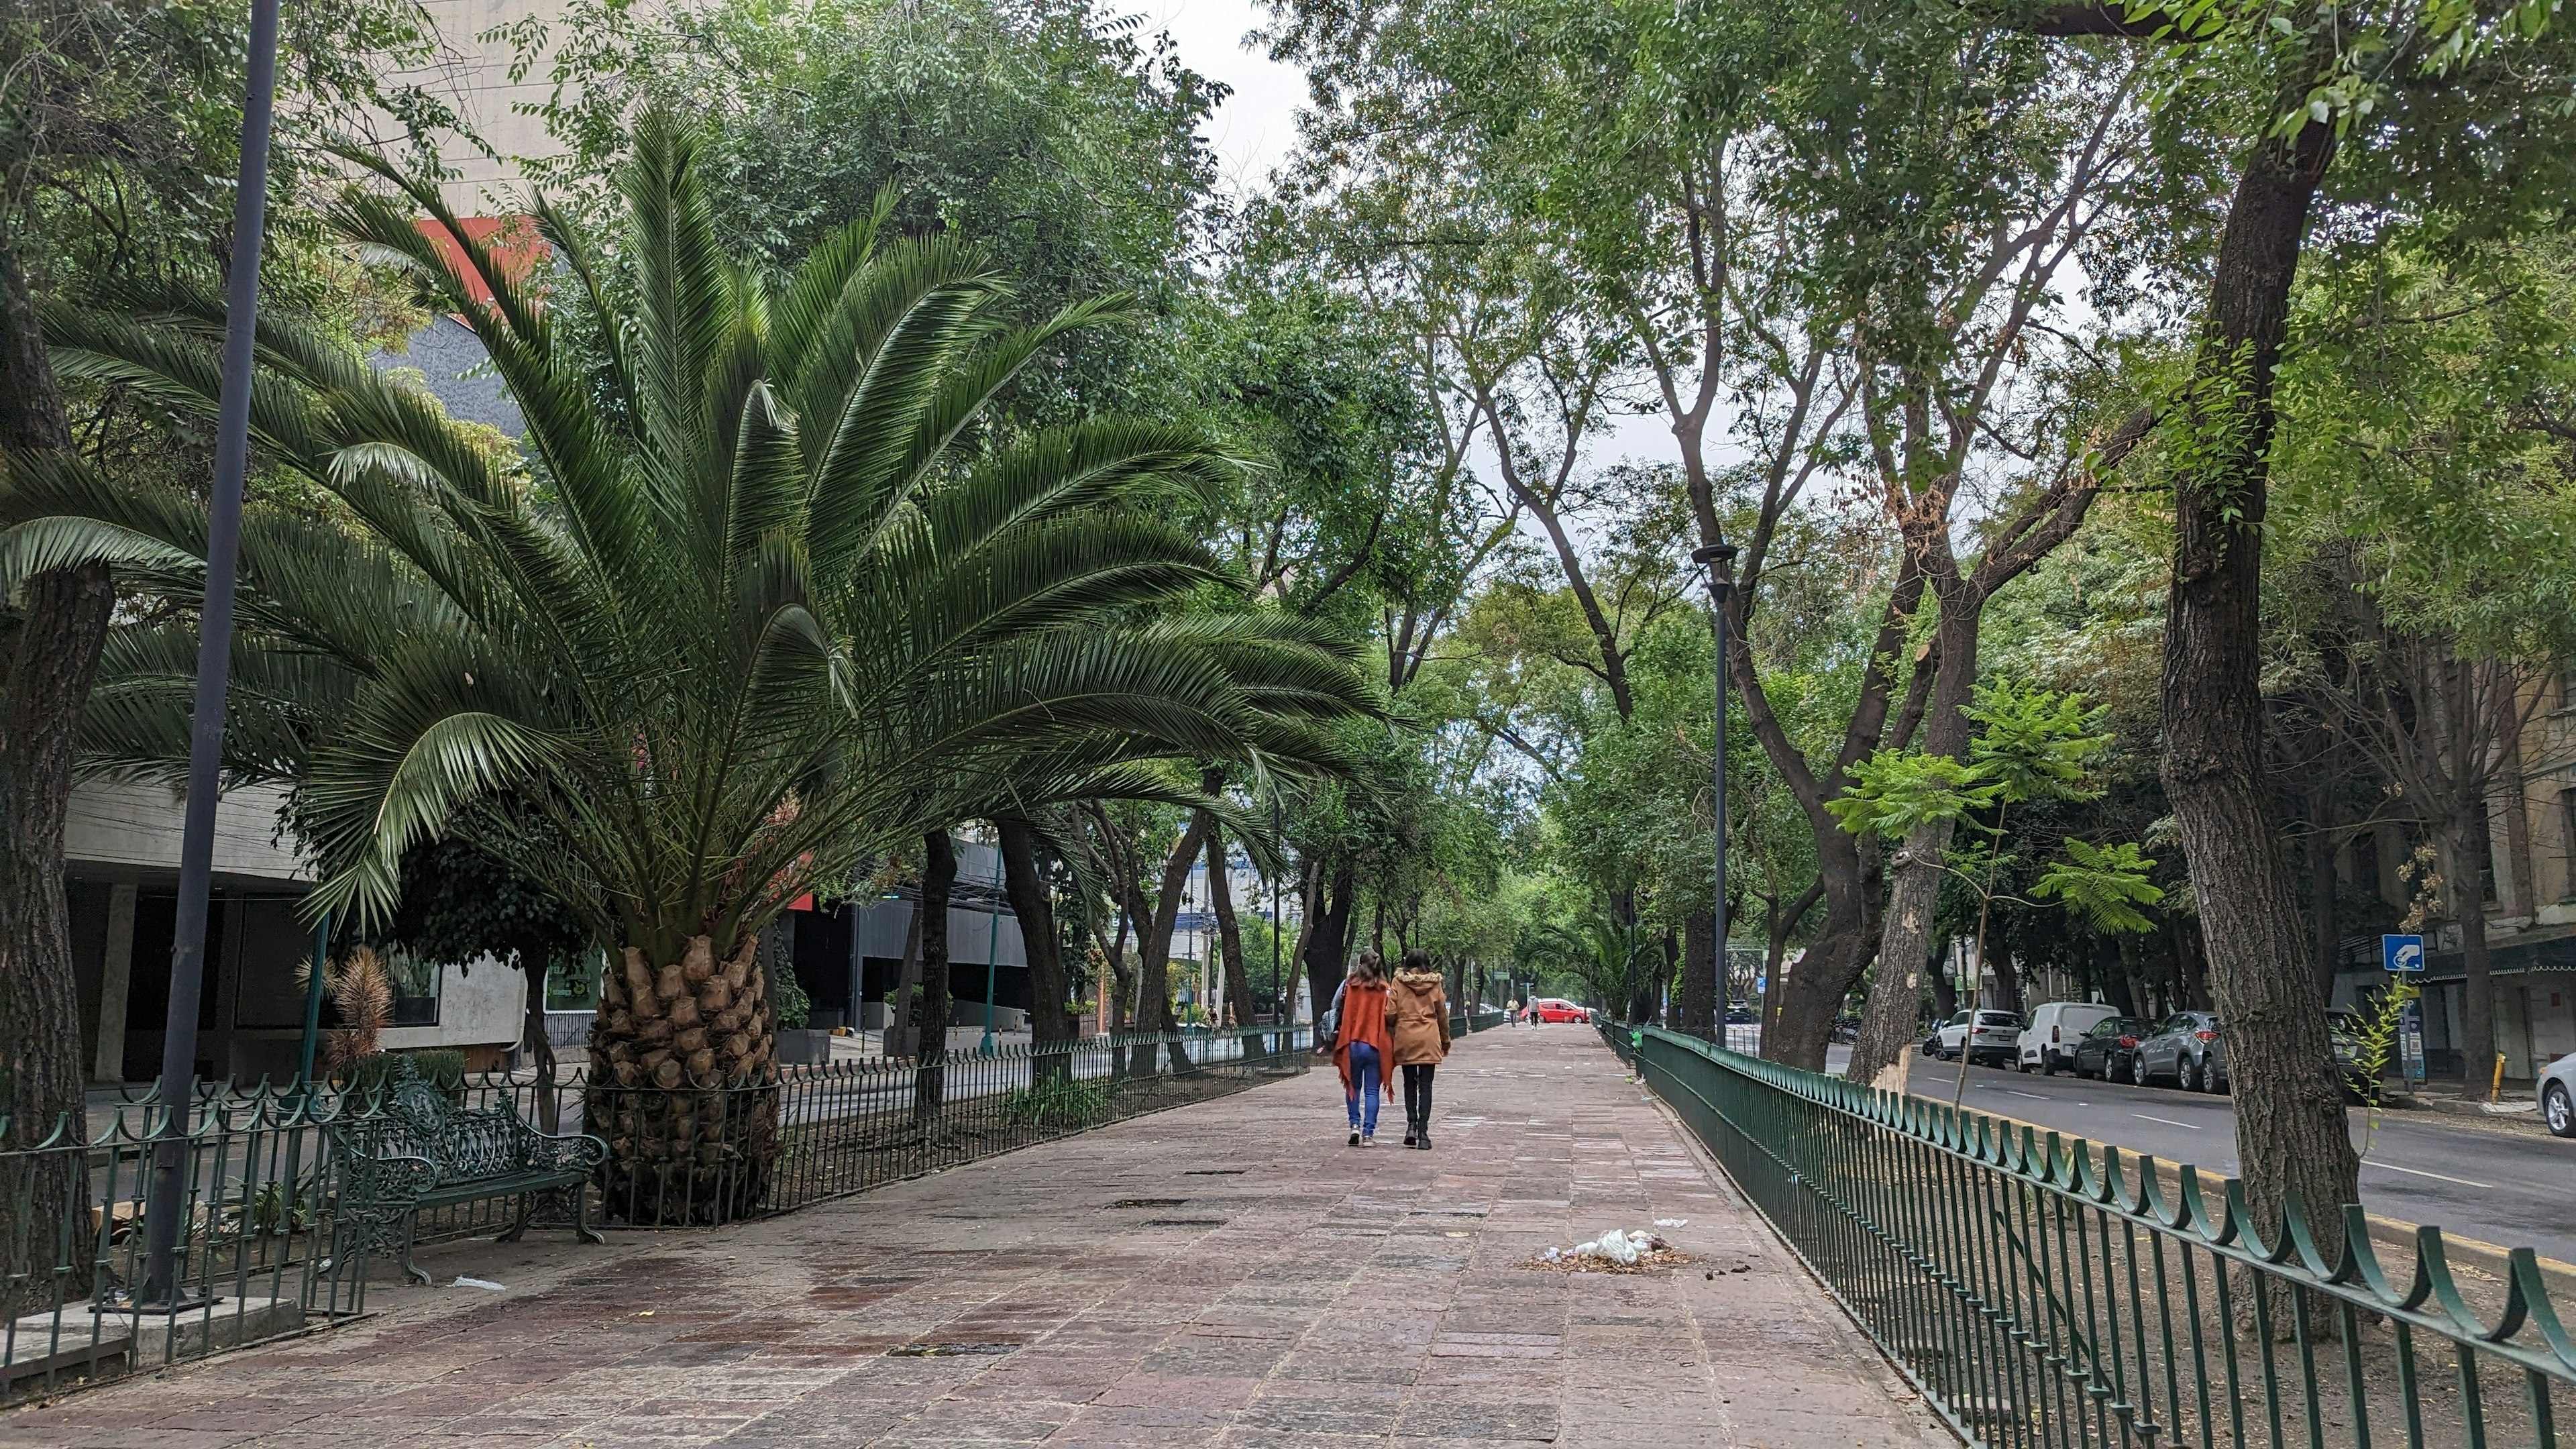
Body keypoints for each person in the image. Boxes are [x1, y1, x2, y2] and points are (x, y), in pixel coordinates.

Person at [1387, 949, 1451, 1150]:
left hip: (1406, 1035)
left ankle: (1411, 1126)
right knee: (1426, 1085)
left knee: (1409, 1082)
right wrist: (1445, 1040)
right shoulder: (1435, 984)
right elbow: (1442, 1014)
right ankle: (1424, 1133)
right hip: (1429, 1036)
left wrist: (1394, 1026)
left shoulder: (1398, 982)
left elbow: (1390, 1012)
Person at [1332, 952, 1393, 1146]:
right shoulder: (1385, 989)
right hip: (1375, 1045)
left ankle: (1354, 1126)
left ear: (1360, 965)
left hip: (1352, 1044)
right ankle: (1368, 1134)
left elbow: (1334, 1006)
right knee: (1372, 1091)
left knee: (1353, 1086)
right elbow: (1392, 1014)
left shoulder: (1348, 986)